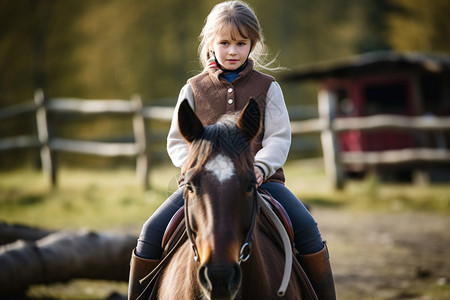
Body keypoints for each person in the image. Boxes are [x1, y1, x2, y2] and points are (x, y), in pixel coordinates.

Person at [128, 1, 336, 299]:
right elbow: (176, 140)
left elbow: (279, 138)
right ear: (211, 43)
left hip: (260, 184)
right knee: (150, 233)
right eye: (224, 43)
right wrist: (194, 167)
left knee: (307, 231)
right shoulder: (192, 89)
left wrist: (260, 168)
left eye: (241, 43)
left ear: (253, 44)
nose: (233, 51)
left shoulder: (268, 87)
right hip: (202, 186)